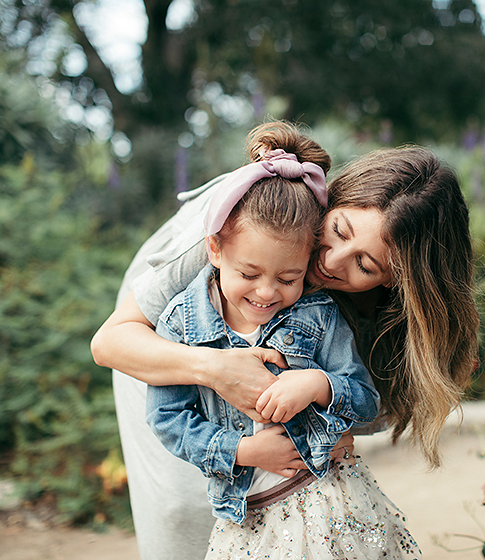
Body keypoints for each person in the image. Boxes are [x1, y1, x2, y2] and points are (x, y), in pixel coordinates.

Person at [91, 121, 479, 559]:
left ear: (395, 285)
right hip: (155, 335)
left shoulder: (357, 313)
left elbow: (375, 402)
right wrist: (219, 371)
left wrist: (327, 413)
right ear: (332, 201)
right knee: (186, 508)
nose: (331, 262)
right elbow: (110, 343)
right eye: (338, 231)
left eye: (366, 266)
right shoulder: (238, 233)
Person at [145, 146, 420, 557]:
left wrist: (318, 385)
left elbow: (366, 401)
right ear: (215, 250)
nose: (266, 292)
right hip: (249, 515)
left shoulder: (318, 313)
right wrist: (241, 450)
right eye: (249, 274)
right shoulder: (183, 321)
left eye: (289, 277)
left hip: (328, 501)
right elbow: (166, 416)